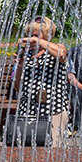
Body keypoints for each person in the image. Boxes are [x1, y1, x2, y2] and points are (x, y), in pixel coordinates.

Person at [10, 15, 68, 146]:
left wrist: (38, 42)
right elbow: (18, 87)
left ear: (47, 35)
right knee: (27, 152)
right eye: (30, 34)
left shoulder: (56, 48)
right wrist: (19, 66)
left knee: (54, 150)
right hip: (28, 110)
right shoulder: (26, 54)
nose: (32, 38)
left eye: (36, 35)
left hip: (53, 108)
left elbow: (62, 54)